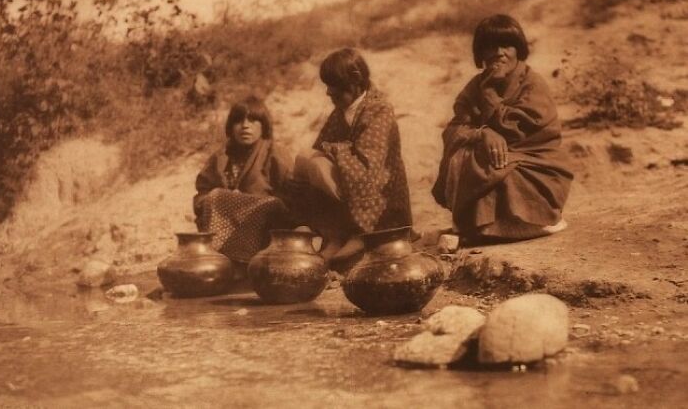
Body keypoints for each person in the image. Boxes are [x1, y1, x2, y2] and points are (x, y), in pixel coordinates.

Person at [432, 14, 573, 242]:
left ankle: (526, 224)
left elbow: (518, 130)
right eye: (490, 46)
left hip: (536, 165)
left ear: (518, 49)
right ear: (481, 54)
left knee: (496, 169)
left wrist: (489, 96)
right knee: (461, 157)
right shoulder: (475, 86)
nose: (499, 52)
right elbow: (454, 129)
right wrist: (483, 133)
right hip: (497, 160)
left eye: (506, 45)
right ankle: (487, 227)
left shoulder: (533, 84)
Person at [292, 48, 412, 263]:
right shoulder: (342, 111)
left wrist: (331, 151)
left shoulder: (379, 108)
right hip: (351, 182)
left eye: (333, 85)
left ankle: (362, 234)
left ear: (354, 81)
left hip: (380, 191)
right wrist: (325, 153)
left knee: (316, 163)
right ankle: (333, 236)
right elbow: (321, 146)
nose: (328, 92)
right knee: (306, 161)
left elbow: (369, 163)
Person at [193, 96, 293, 263]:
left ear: (264, 125)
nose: (245, 125)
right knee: (214, 196)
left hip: (266, 231)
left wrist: (249, 203)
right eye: (238, 120)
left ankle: (247, 261)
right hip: (223, 228)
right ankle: (222, 260)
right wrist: (219, 201)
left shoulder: (275, 153)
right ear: (231, 127)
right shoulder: (220, 158)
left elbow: (292, 197)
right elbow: (202, 194)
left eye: (253, 120)